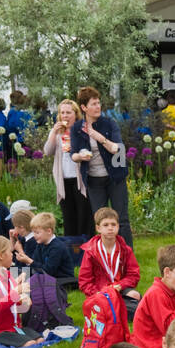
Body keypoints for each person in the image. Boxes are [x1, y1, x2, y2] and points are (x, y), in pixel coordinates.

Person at [70, 86, 132, 247]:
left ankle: (126, 252)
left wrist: (99, 138)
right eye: (94, 104)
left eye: (98, 103)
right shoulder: (77, 128)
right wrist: (80, 157)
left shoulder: (109, 123)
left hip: (115, 177)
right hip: (93, 180)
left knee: (121, 218)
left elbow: (117, 148)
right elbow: (73, 155)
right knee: (100, 218)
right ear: (84, 108)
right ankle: (105, 252)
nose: (98, 107)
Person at [43, 98, 95, 239]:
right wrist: (53, 133)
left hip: (80, 178)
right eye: (62, 112)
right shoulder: (57, 132)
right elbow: (48, 151)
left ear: (76, 114)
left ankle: (85, 247)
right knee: (68, 215)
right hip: (64, 178)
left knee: (83, 214)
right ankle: (71, 248)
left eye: (68, 112)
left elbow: (89, 150)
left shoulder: (82, 130)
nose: (65, 115)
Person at [79, 207, 142, 317]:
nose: (110, 228)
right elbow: (84, 281)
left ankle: (121, 309)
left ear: (118, 226)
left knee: (135, 295)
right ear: (98, 228)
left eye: (113, 224)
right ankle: (129, 310)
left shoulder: (125, 250)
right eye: (106, 225)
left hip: (118, 289)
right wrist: (99, 293)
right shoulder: (90, 252)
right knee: (113, 305)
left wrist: (120, 285)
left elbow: (133, 275)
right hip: (99, 292)